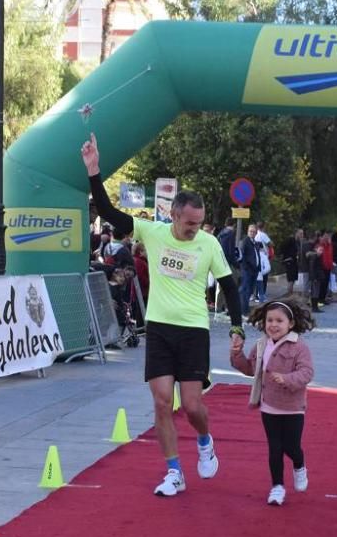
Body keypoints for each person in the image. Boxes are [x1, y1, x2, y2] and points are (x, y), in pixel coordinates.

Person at [81, 133, 244, 497]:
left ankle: (205, 439)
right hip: (159, 328)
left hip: (193, 331)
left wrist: (237, 328)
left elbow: (230, 287)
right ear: (173, 215)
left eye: (199, 223)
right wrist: (94, 171)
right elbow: (109, 214)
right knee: (161, 401)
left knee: (191, 405)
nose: (195, 229)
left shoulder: (209, 244)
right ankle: (173, 471)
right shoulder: (151, 232)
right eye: (189, 223)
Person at [229, 299, 315, 506]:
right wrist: (236, 353)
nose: (273, 325)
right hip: (268, 406)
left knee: (292, 447)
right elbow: (250, 369)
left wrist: (287, 379)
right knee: (275, 448)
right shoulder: (261, 345)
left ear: (290, 324)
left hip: (293, 408)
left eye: (279, 321)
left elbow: (307, 373)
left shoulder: (299, 347)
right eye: (270, 320)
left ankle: (299, 464)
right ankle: (277, 487)